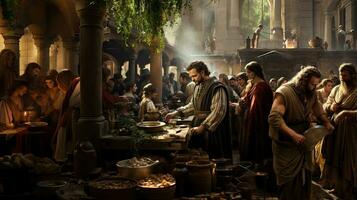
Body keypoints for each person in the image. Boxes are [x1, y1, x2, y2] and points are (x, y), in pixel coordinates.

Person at [268, 66, 334, 200]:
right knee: (287, 181)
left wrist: (326, 122)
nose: (313, 87)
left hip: (304, 141)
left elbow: (317, 108)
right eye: (311, 84)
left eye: (316, 85)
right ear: (303, 81)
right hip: (285, 143)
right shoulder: (284, 92)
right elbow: (274, 117)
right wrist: (293, 134)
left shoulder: (311, 92)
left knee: (305, 177)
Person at [165, 61, 232, 159]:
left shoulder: (217, 87)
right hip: (198, 125)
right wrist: (175, 113)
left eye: (194, 76)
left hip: (213, 130)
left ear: (203, 72)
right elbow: (193, 105)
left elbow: (218, 111)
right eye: (191, 76)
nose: (192, 79)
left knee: (213, 158)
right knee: (198, 158)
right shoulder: (197, 86)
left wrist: (204, 126)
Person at [322, 63, 357, 199]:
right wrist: (331, 107)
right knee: (336, 158)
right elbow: (325, 105)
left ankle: (351, 188)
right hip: (336, 132)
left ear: (353, 76)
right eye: (341, 75)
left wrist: (347, 113)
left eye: (345, 75)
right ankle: (338, 187)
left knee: (350, 159)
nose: (342, 78)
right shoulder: (336, 89)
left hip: (352, 133)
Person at [234, 61, 273, 163]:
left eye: (248, 72)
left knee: (256, 151)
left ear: (253, 73)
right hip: (252, 120)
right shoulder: (255, 85)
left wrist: (242, 105)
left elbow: (255, 109)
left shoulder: (260, 87)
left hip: (257, 123)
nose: (246, 74)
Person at [53, 70, 78, 162]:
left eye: (59, 83)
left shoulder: (71, 94)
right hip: (65, 123)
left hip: (67, 124)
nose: (58, 86)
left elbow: (66, 110)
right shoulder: (64, 93)